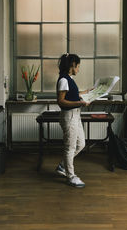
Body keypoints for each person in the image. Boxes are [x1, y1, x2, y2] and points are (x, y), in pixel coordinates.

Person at [55, 53, 90, 188]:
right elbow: (61, 101)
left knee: (81, 144)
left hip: (76, 116)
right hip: (69, 117)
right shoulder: (63, 80)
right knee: (70, 148)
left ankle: (62, 166)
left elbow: (73, 94)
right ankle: (71, 177)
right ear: (72, 65)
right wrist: (81, 103)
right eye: (78, 66)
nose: (79, 69)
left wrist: (87, 92)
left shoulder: (69, 78)